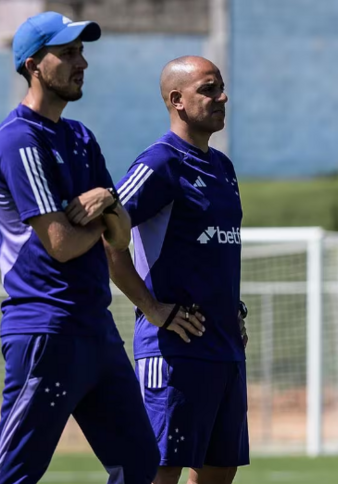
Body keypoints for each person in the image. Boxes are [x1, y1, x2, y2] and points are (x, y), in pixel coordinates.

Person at [0, 11, 159, 484]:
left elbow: (120, 237)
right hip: (47, 330)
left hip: (96, 330)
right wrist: (107, 216)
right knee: (15, 476)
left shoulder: (81, 138)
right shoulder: (18, 140)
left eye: (81, 51)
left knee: (140, 464)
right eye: (67, 53)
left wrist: (108, 209)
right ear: (33, 64)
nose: (81, 62)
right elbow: (60, 243)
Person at [106, 56, 248, 484]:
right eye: (209, 89)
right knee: (158, 471)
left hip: (224, 348)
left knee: (219, 471)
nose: (222, 97)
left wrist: (232, 308)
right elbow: (105, 235)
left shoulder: (223, 168)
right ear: (177, 100)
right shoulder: (158, 163)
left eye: (221, 87)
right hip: (174, 350)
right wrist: (152, 308)